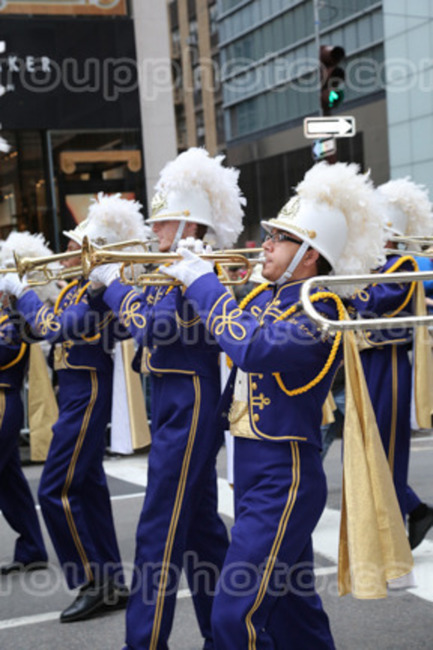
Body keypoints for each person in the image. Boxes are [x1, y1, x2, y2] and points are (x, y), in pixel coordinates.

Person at [161, 161, 387, 649]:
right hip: (252, 471)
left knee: (234, 617)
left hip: (284, 476)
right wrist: (190, 276)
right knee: (293, 613)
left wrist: (203, 281)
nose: (264, 243)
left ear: (309, 255)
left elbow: (252, 348)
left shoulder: (322, 312)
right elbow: (217, 330)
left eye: (278, 237)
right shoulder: (272, 298)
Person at [89, 148, 244, 649]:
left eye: (162, 223)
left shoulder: (197, 267)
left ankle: (145, 643)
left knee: (158, 529)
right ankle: (227, 636)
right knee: (199, 529)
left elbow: (154, 327)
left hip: (191, 398)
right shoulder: (171, 264)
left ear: (188, 225)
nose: (153, 232)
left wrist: (114, 286)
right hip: (173, 396)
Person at [0, 194, 148, 622]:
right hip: (75, 391)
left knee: (56, 488)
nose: (68, 255)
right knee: (86, 487)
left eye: (78, 247)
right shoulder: (77, 288)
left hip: (89, 391)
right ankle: (110, 581)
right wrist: (16, 304)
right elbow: (34, 332)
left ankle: (94, 581)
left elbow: (57, 328)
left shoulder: (100, 295)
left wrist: (24, 292)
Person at [349, 177, 433, 544]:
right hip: (363, 364)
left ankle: (395, 533)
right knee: (363, 452)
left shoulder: (401, 267)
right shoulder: (375, 264)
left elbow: (372, 302)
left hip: (389, 363)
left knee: (386, 454)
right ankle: (413, 513)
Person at [0, 232, 49, 576]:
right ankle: (32, 547)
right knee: (10, 481)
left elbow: (9, 352)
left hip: (3, 402)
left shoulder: (16, 317)